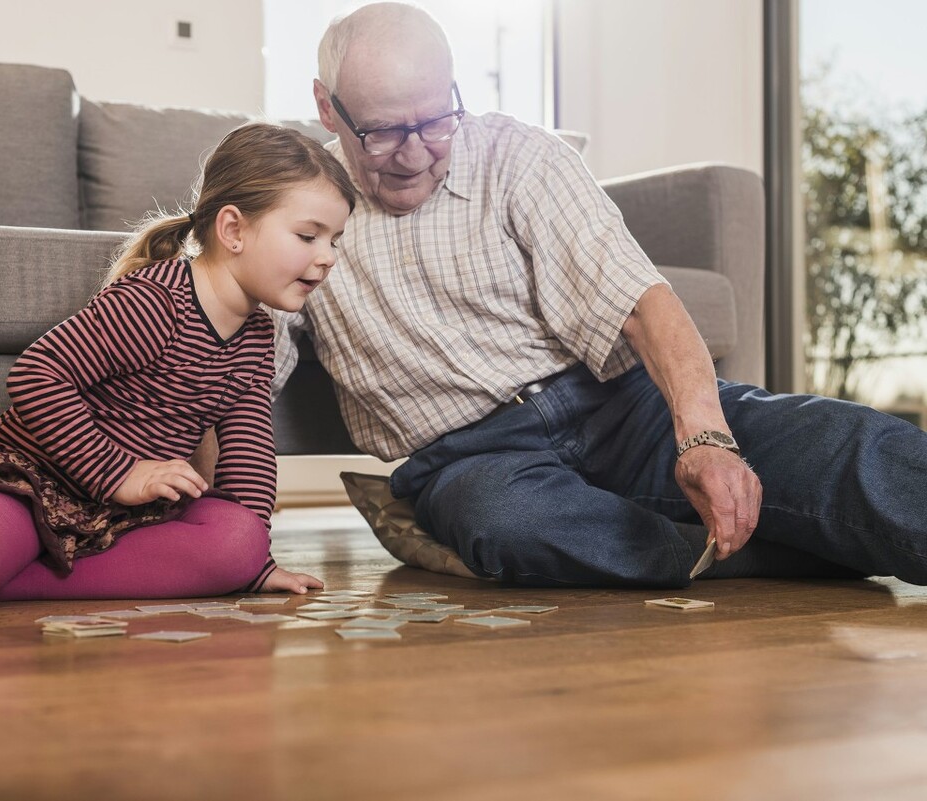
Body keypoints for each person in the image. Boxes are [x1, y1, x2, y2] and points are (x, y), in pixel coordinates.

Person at [272, 2, 927, 588]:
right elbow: (229, 346)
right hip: (473, 458)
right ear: (328, 107)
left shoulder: (519, 157)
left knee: (846, 444)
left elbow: (642, 303)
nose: (415, 154)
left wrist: (704, 438)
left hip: (618, 406)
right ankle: (740, 551)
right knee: (510, 522)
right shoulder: (297, 213)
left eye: (437, 121)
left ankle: (753, 539)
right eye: (385, 132)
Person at [0, 123, 354, 602]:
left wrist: (256, 559)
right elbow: (37, 375)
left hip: (128, 514)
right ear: (233, 229)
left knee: (239, 541)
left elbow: (248, 448)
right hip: (33, 483)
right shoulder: (155, 301)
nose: (327, 258)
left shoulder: (258, 334)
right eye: (309, 236)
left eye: (336, 240)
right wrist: (120, 473)